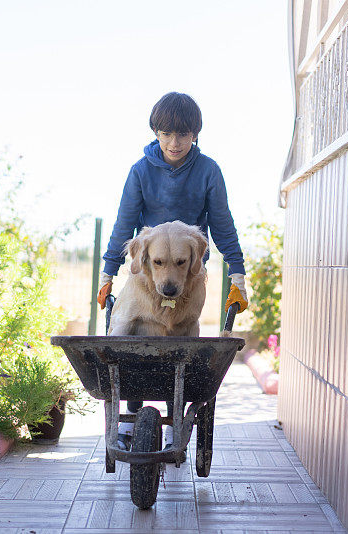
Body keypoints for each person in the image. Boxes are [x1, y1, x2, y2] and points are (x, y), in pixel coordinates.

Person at [96, 91, 248, 451]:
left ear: (195, 134)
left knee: (181, 348)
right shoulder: (141, 171)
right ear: (155, 132)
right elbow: (125, 223)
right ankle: (129, 417)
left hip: (188, 272)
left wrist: (238, 275)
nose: (174, 143)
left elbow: (222, 224)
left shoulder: (208, 171)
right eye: (166, 134)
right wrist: (108, 273)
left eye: (183, 135)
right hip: (147, 272)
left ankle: (173, 417)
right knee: (129, 346)